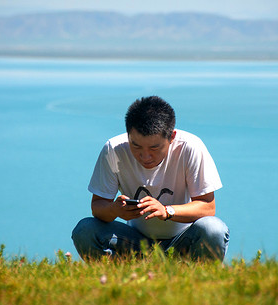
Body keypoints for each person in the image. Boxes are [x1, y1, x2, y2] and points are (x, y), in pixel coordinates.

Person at [72, 96, 229, 261]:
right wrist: (114, 210)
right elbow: (98, 205)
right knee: (85, 229)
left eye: (154, 147)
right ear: (128, 135)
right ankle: (118, 281)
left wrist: (167, 211)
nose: (145, 156)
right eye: (136, 146)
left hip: (184, 240)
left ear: (172, 137)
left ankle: (197, 283)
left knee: (214, 229)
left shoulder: (191, 147)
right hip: (135, 241)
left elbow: (208, 207)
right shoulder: (114, 149)